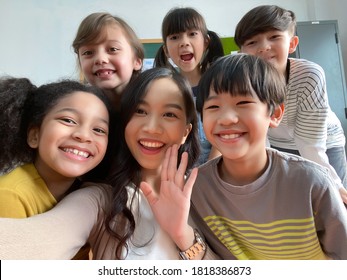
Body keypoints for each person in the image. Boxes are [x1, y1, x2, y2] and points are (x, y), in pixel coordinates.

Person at [0, 68, 216, 260]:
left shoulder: (206, 192)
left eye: (169, 114)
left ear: (186, 132)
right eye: (140, 111)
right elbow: (38, 240)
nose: (151, 127)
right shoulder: (101, 200)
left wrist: (183, 234)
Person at [183, 53, 347, 260]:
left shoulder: (311, 182)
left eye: (243, 103)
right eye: (213, 107)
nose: (226, 119)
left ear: (275, 114)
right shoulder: (197, 189)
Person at [234, 5, 347, 203]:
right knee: (293, 201)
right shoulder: (241, 81)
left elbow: (310, 145)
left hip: (324, 143)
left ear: (292, 43)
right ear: (241, 52)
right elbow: (258, 137)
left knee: (333, 200)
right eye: (252, 42)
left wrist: (333, 184)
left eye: (274, 37)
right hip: (280, 145)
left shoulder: (309, 76)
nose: (263, 47)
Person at [0, 77, 114, 259]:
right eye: (68, 120)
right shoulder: (10, 196)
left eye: (99, 130)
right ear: (34, 135)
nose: (84, 136)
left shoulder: (86, 193)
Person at [154, 7, 224, 165]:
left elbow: (221, 137)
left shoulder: (219, 85)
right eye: (174, 37)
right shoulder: (163, 90)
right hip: (175, 172)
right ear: (166, 49)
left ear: (206, 42)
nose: (184, 42)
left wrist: (207, 176)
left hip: (214, 171)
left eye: (192, 34)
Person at [72, 12, 144, 111]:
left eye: (113, 49)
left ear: (137, 61)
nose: (100, 59)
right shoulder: (77, 107)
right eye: (88, 52)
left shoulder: (154, 101)